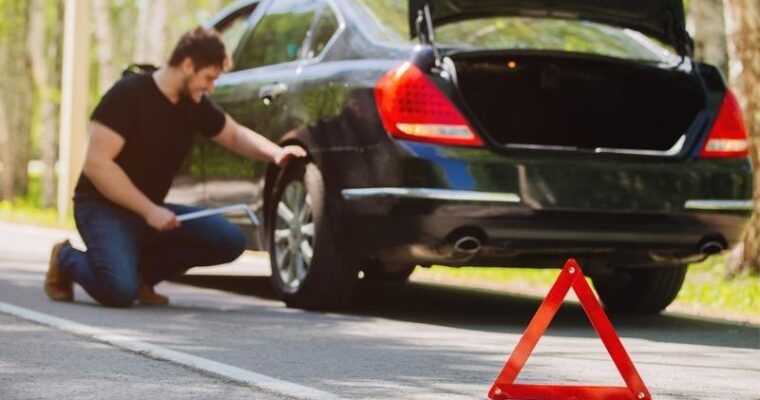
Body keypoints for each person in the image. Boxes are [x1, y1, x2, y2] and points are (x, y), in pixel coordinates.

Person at [44, 27, 306, 307]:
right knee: (119, 291)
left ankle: (142, 276)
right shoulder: (127, 95)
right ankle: (66, 259)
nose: (211, 87)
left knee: (228, 240)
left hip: (150, 210)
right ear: (188, 64)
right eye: (209, 78)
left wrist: (276, 153)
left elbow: (233, 134)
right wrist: (150, 211)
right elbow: (97, 166)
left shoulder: (193, 103)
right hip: (101, 206)